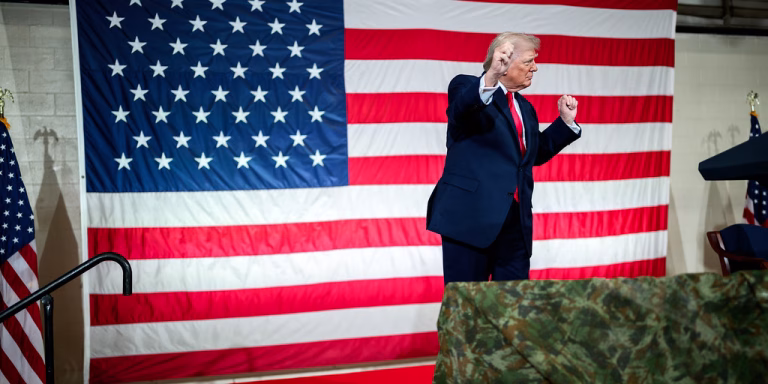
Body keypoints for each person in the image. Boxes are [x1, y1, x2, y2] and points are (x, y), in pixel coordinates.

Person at [426, 32, 582, 284]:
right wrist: (491, 76)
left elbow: (533, 154)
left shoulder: (526, 108)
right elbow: (461, 111)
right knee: (468, 303)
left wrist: (565, 123)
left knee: (514, 302)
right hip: (469, 220)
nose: (535, 68)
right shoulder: (466, 86)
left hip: (515, 225)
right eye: (528, 61)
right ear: (504, 62)